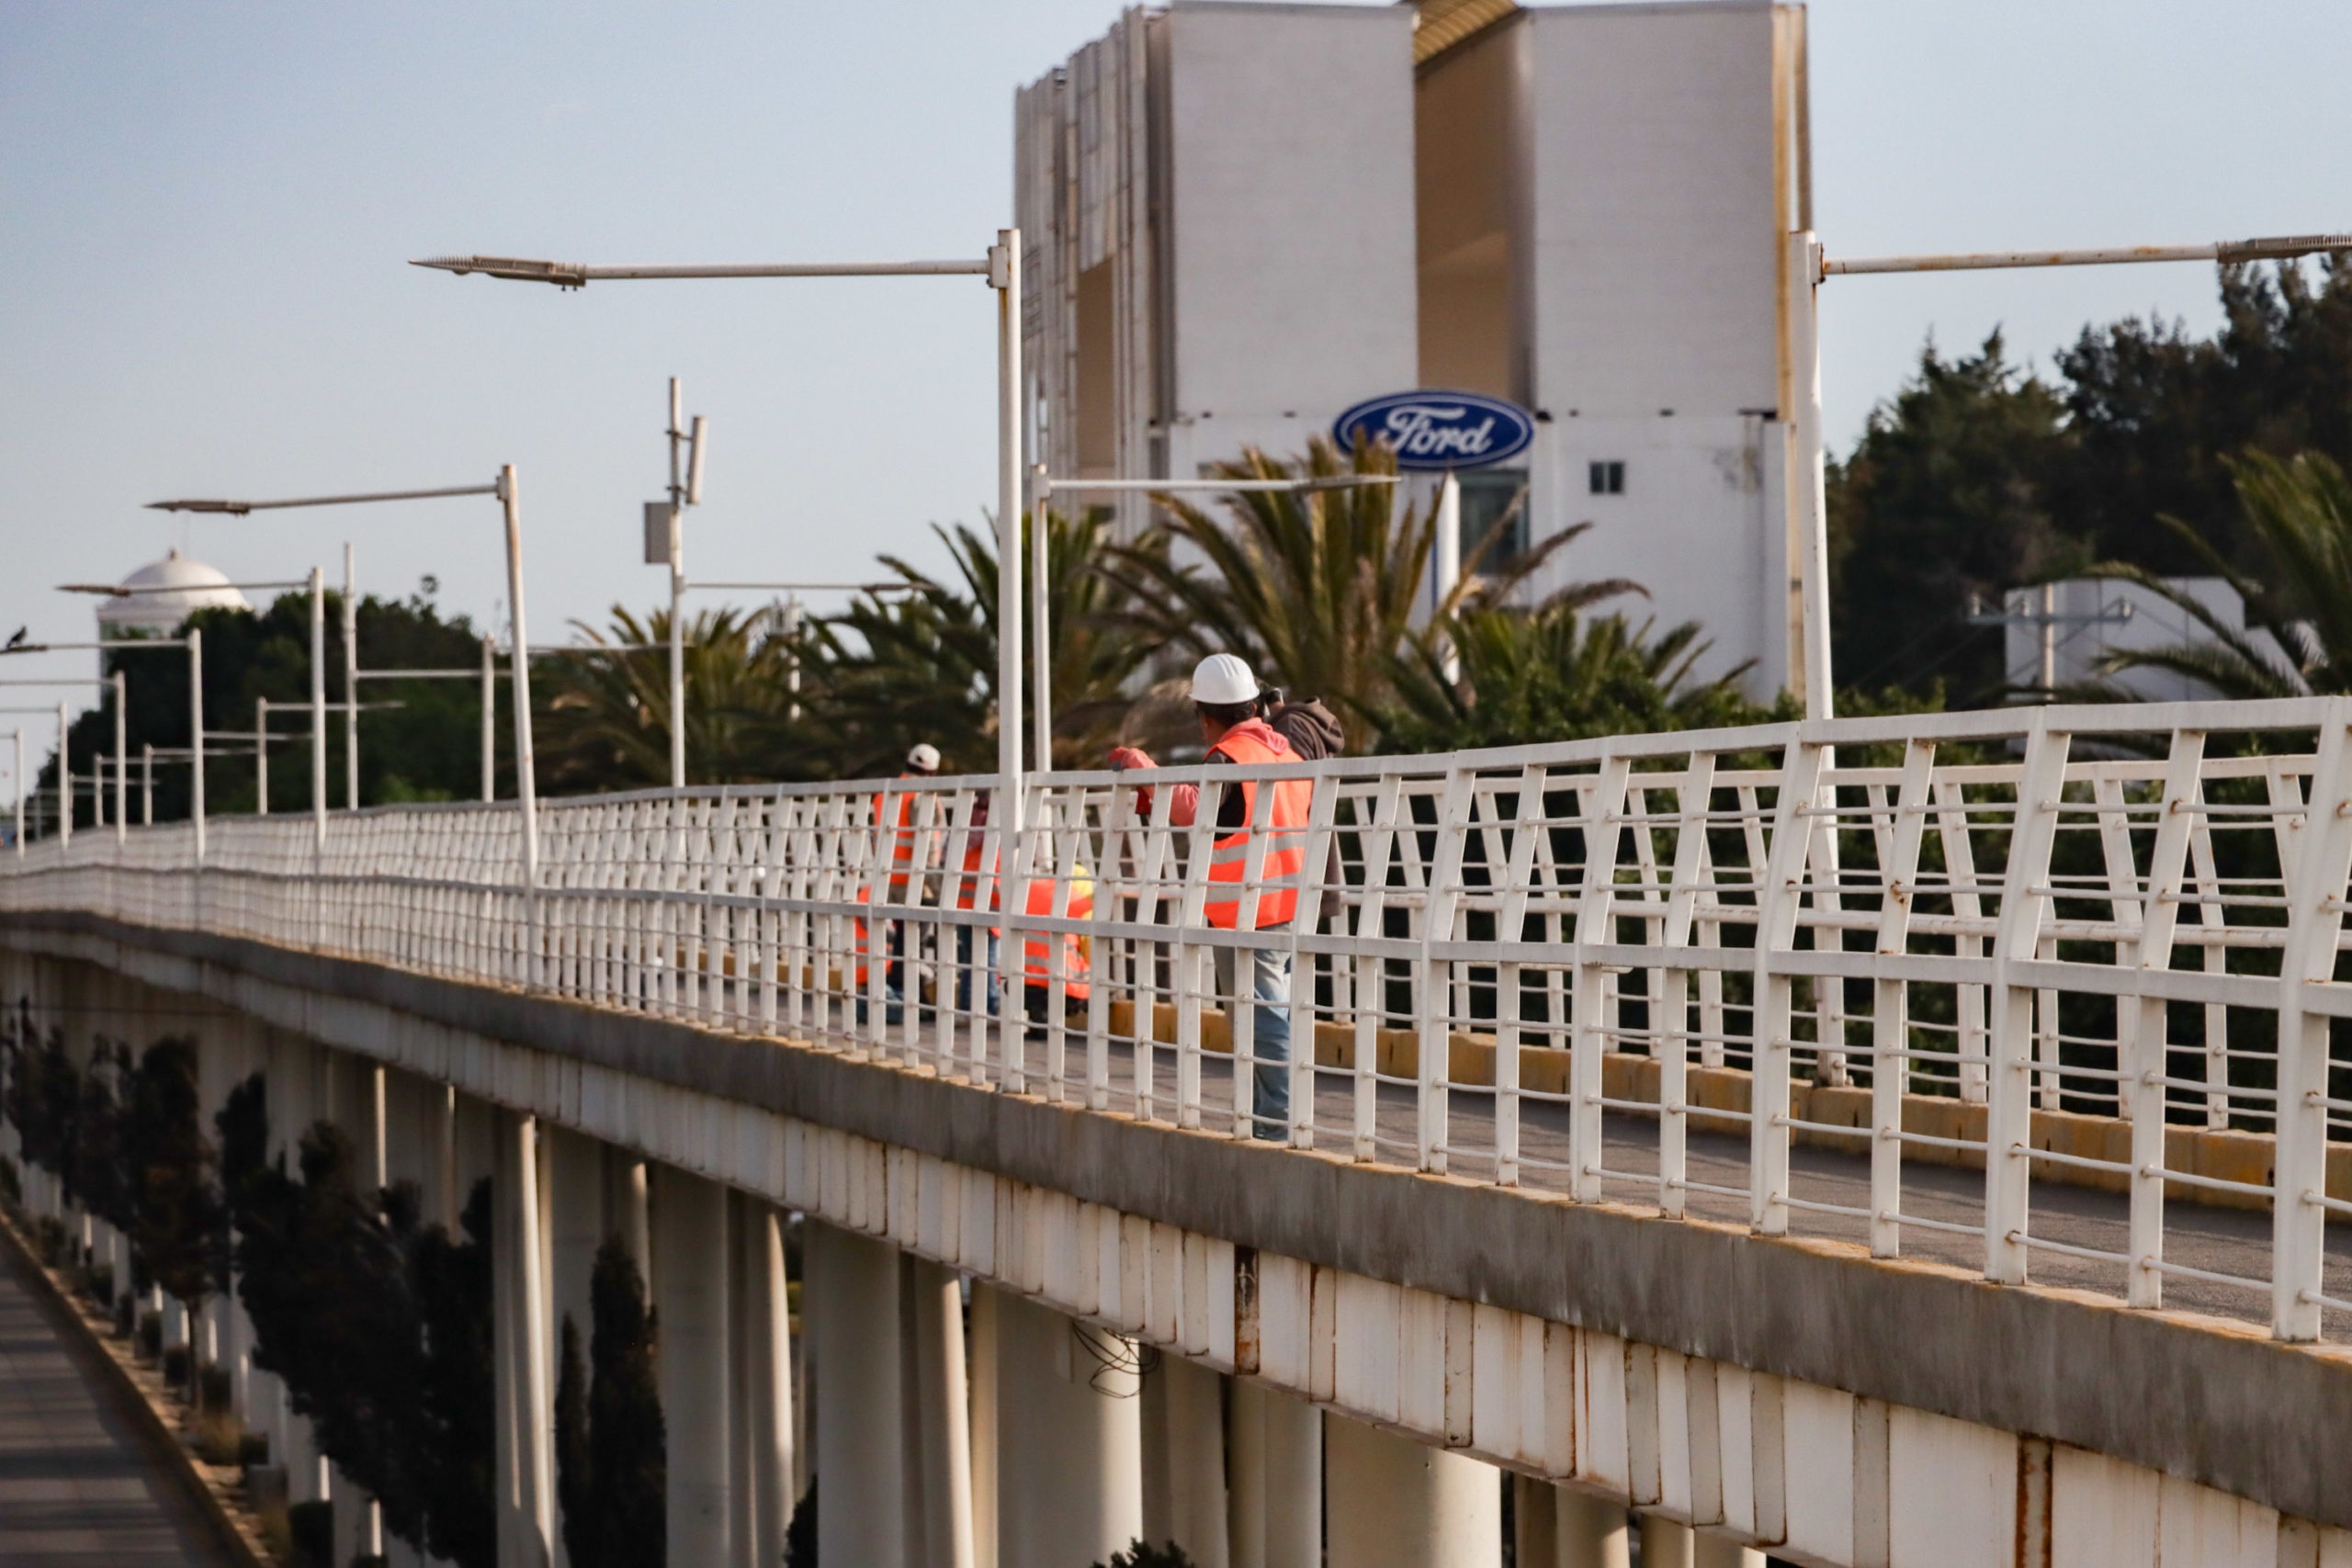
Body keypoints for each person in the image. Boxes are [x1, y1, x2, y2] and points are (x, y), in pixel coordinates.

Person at [1109, 653, 1312, 1137]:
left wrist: (1145, 770)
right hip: (1289, 903)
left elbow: (1200, 808)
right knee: (1271, 1015)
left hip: (1249, 910)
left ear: (1206, 716)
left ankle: (1279, 1125)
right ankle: (1270, 1120)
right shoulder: (1286, 751)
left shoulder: (1229, 756)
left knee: (1262, 1023)